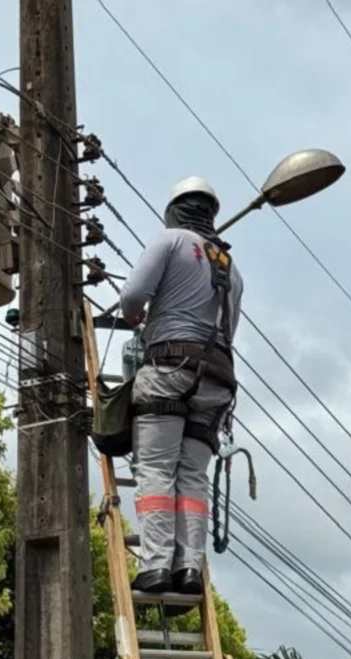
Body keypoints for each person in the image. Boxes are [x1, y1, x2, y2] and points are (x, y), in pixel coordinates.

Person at [118, 176, 244, 598]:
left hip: (170, 369)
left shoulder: (170, 240)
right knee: (191, 475)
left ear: (173, 211)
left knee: (156, 468)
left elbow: (133, 296)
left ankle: (155, 566)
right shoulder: (231, 268)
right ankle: (189, 566)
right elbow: (230, 330)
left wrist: (136, 316)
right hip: (217, 380)